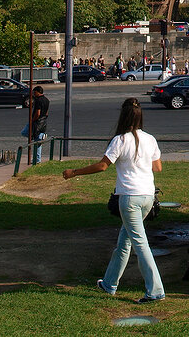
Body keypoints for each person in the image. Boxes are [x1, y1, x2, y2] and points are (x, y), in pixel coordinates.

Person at [62, 98, 164, 302]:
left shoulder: (120, 140)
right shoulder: (150, 139)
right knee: (124, 242)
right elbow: (157, 167)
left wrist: (74, 172)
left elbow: (102, 166)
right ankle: (109, 284)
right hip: (148, 197)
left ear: (123, 116)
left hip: (129, 198)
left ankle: (155, 291)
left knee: (139, 244)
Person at [29, 85, 49, 165]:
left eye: (34, 92)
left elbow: (37, 113)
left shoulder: (38, 101)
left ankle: (37, 160)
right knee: (38, 142)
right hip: (44, 121)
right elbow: (47, 112)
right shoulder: (46, 100)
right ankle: (37, 159)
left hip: (37, 122)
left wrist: (32, 120)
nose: (34, 94)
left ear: (38, 92)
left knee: (25, 132)